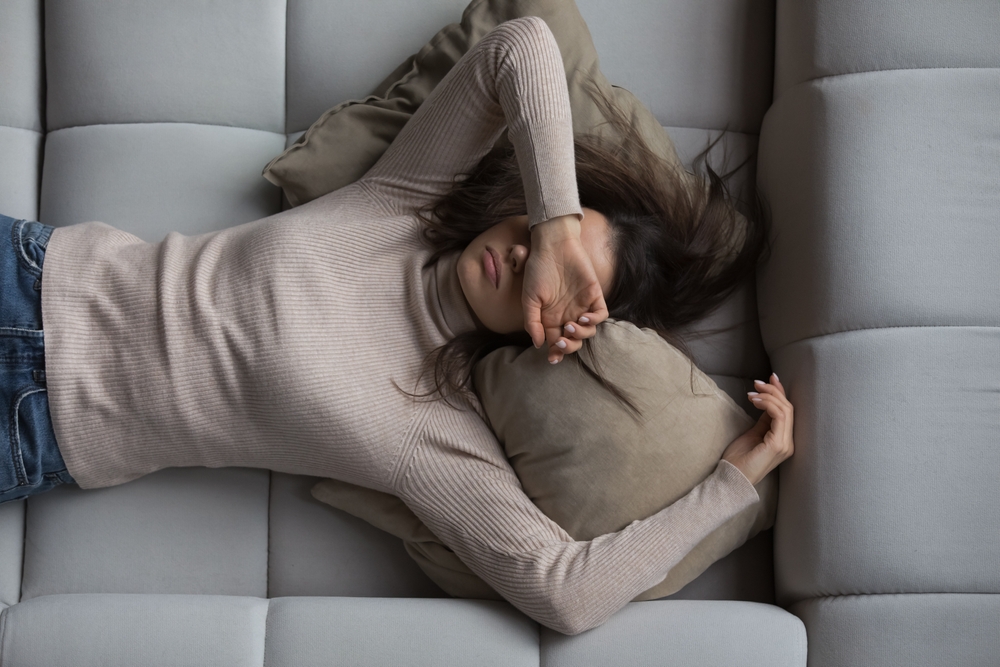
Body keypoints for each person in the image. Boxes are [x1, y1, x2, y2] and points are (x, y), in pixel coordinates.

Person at [0, 17, 794, 634]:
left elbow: (569, 594)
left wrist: (728, 484)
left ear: (566, 336)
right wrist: (558, 226)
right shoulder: (401, 204)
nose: (524, 256)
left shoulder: (432, 434)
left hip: (36, 424)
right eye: (547, 237)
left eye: (560, 285)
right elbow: (522, 46)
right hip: (35, 272)